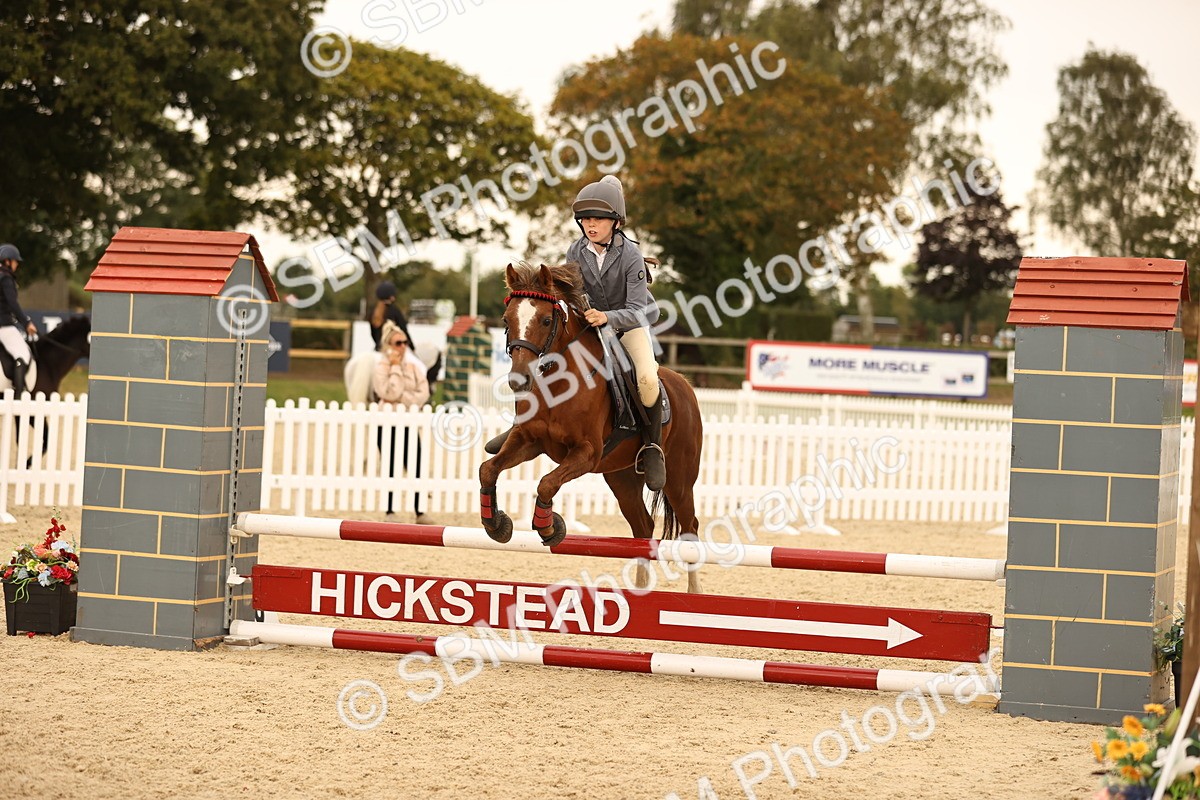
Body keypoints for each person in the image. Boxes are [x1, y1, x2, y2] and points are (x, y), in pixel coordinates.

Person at [484, 175, 666, 490]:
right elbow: (574, 294)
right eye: (586, 219)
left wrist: (607, 317)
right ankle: (522, 425)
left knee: (648, 379)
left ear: (616, 222)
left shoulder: (631, 256)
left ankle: (652, 447)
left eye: (598, 219)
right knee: (545, 358)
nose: (590, 225)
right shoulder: (576, 250)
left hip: (629, 325)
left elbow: (639, 310)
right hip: (591, 324)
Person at [372, 320, 435, 522]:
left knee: (416, 464)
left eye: (405, 342)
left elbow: (423, 393)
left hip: (408, 422)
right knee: (390, 465)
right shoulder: (381, 368)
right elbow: (388, 392)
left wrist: (401, 399)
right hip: (387, 423)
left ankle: (419, 511)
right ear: (388, 346)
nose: (403, 346)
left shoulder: (414, 367)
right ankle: (390, 510)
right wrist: (395, 369)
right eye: (398, 343)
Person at [0, 244, 37, 395]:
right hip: (3, 326)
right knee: (22, 354)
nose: (17, 264)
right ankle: (19, 395)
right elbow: (12, 303)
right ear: (7, 261)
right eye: (15, 261)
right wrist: (26, 323)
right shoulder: (6, 278)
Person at [368, 281, 412, 349]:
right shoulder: (395, 311)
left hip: (379, 349)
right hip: (393, 349)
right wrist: (412, 347)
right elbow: (404, 331)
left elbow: (373, 334)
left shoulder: (374, 312)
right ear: (391, 296)